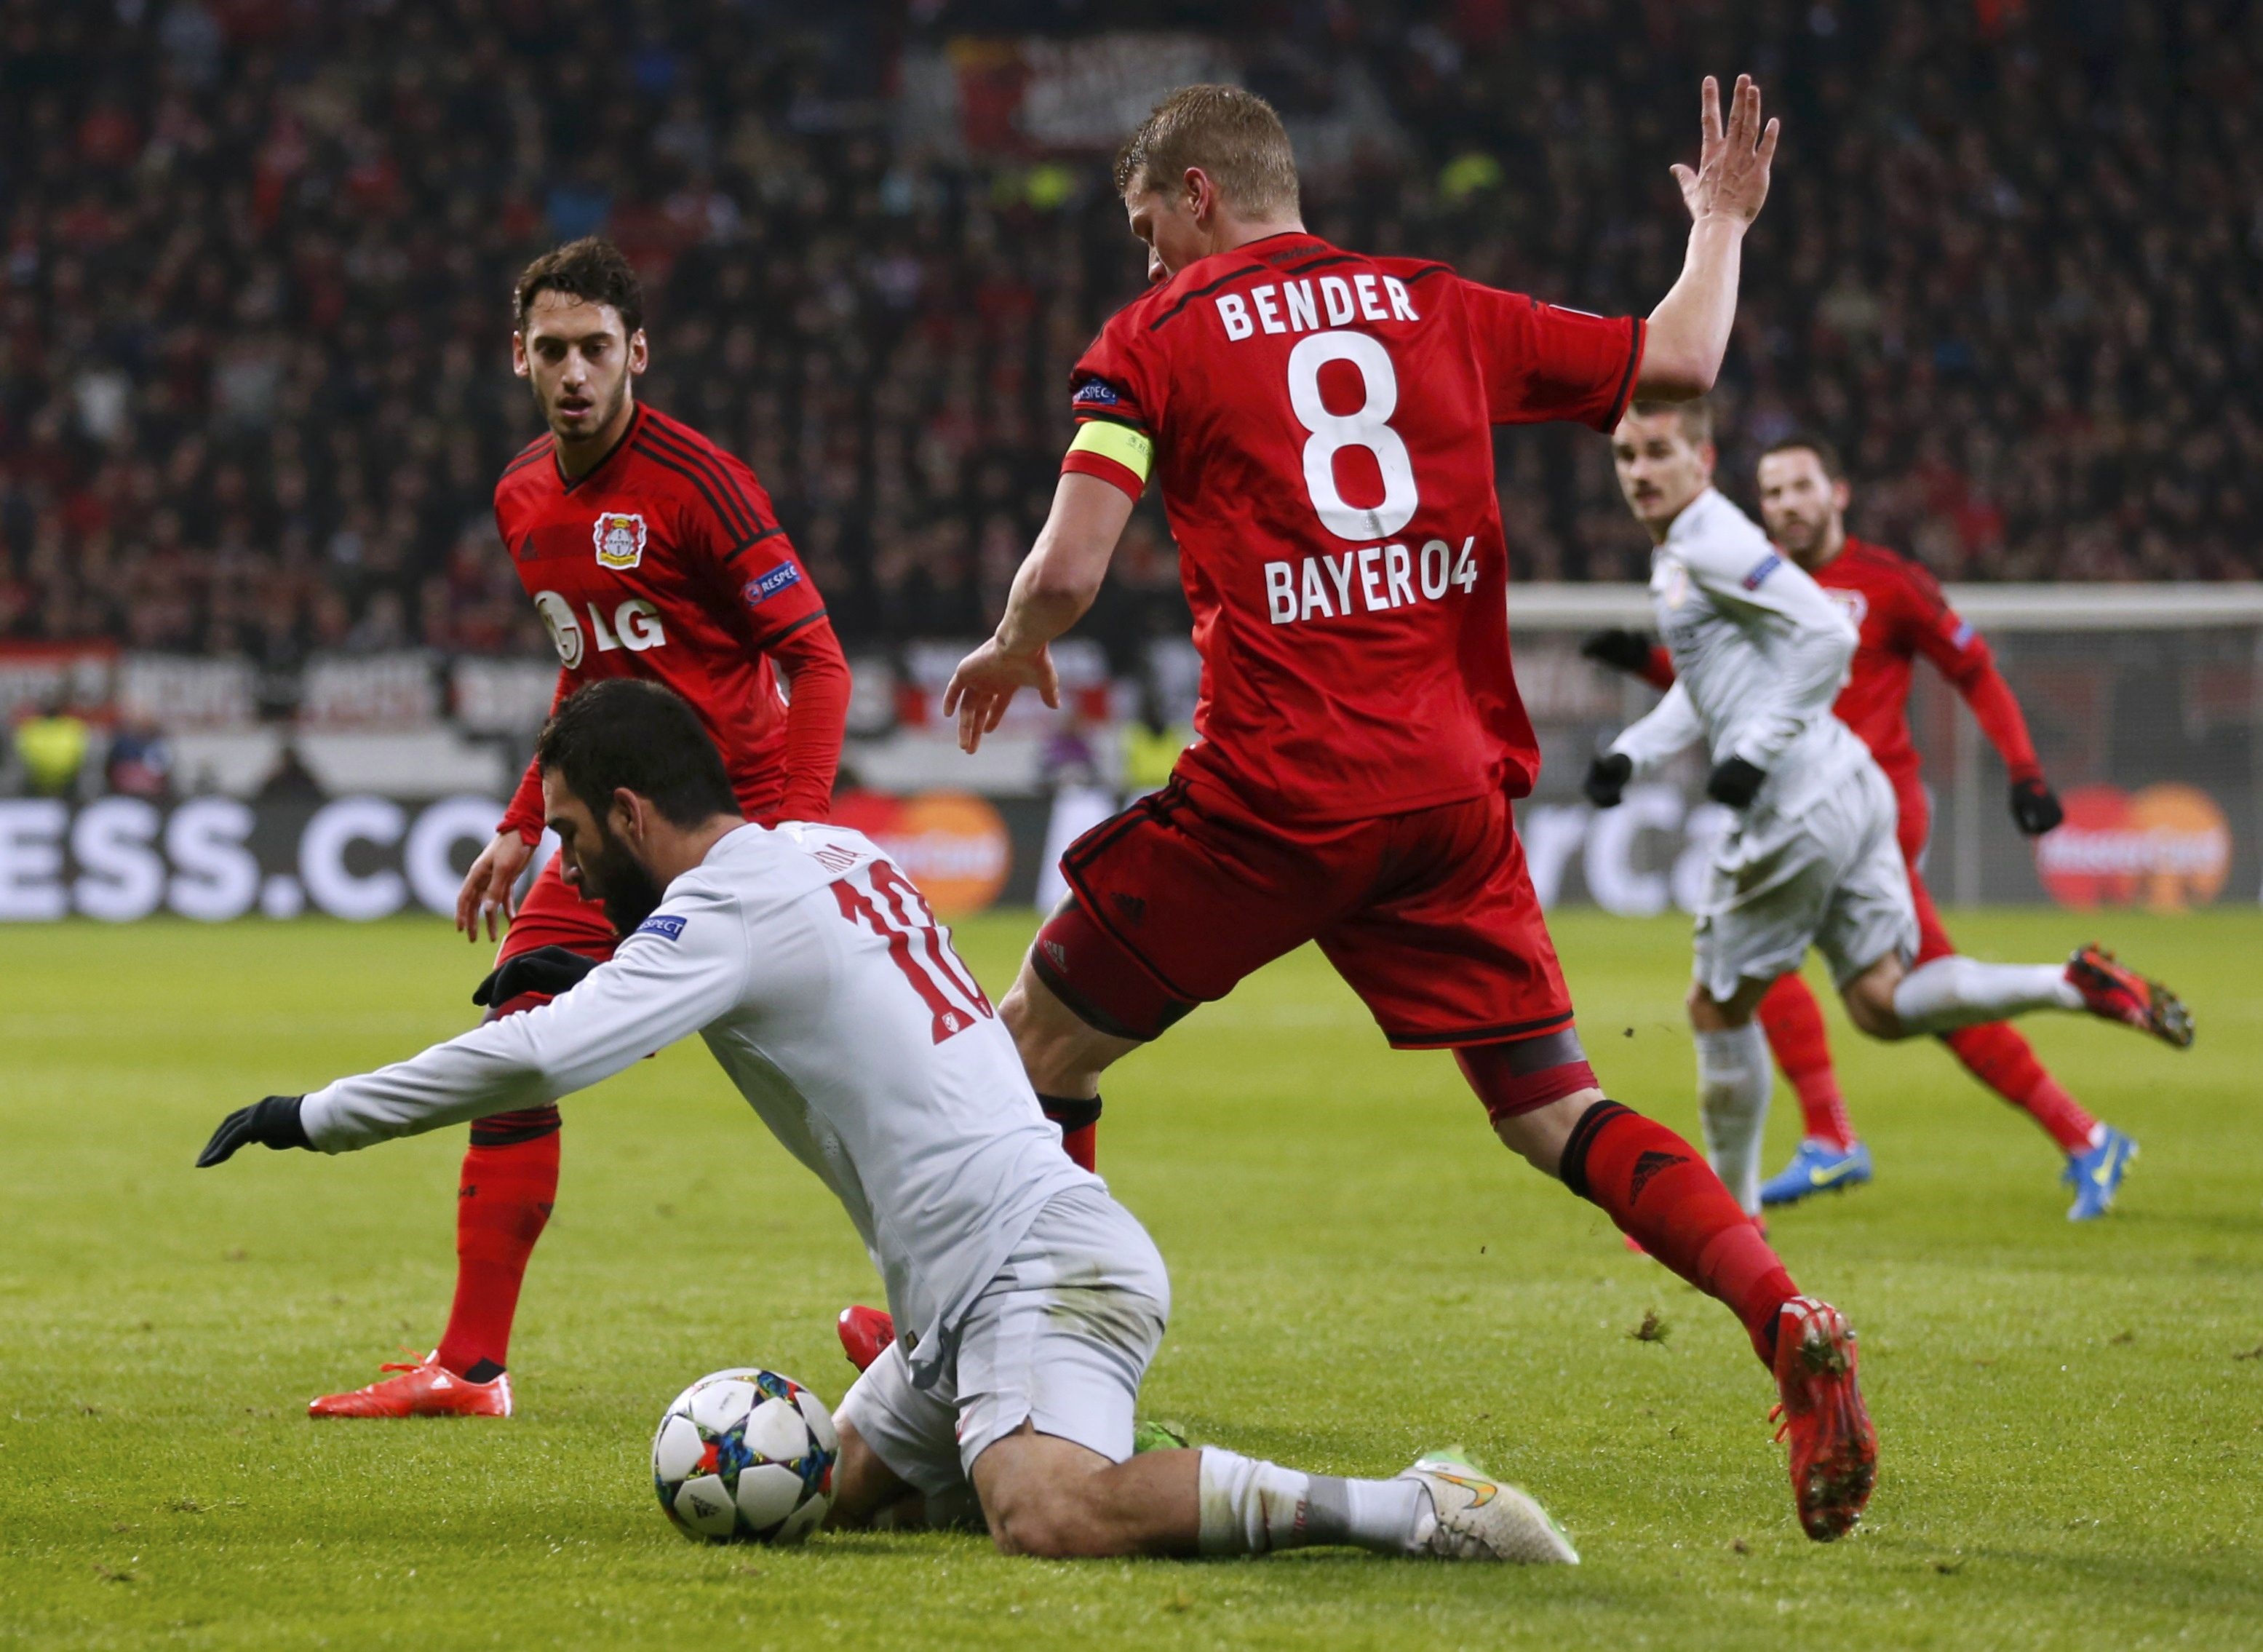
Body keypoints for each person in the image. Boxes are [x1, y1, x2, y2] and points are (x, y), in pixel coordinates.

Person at [859, 77, 1885, 1545]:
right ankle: (1778, 1312)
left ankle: (1007, 1363)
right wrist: (1719, 220)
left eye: (1150, 230)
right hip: (1449, 794)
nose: (1146, 266)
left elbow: (1076, 563)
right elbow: (1679, 354)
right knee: (1551, 1109)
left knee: (1031, 1044)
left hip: (1275, 797)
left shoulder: (1153, 339)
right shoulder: (1437, 305)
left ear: (1199, 193)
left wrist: (1021, 630)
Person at [198, 679, 1580, 1565]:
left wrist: (307, 1116)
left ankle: (1415, 1507)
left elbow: (535, 1059)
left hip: (1041, 1261)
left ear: (630, 811)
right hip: (958, 1297)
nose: (565, 863)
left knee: (1049, 1516)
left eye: (570, 834)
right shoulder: (832, 850)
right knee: (827, 1494)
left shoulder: (726, 917)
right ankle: (978, 1413)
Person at [308, 237, 851, 1420]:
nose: (573, 372)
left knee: (841, 1081)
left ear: (637, 355)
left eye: (596, 349)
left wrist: (798, 834)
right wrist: (521, 825)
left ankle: (935, 1311)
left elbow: (814, 659)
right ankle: (470, 1367)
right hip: (611, 830)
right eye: (550, 349)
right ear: (518, 355)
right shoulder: (521, 496)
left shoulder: (700, 485)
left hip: (733, 827)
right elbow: (585, 677)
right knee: (519, 1036)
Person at [1582, 402, 2191, 1226]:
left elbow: (1890, 659)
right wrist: (1637, 730)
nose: (1787, 502)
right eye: (1773, 489)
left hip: (1819, 803)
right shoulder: (1714, 559)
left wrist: (2021, 770)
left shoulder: (1804, 565)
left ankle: (1743, 1207)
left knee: (1722, 999)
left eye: (1801, 486)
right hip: (1839, 788)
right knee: (1882, 999)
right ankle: (2066, 999)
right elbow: (1722, 689)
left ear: (1835, 493)